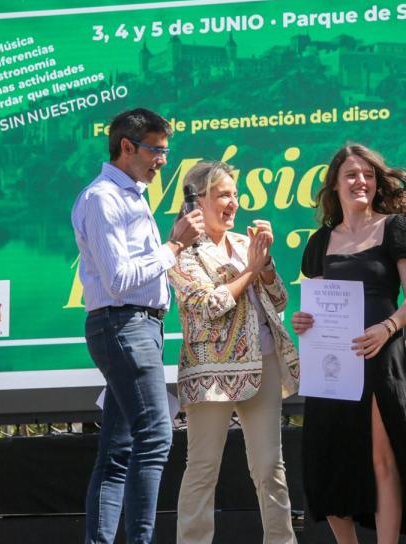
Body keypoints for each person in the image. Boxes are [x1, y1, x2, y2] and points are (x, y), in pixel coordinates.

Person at [291, 143, 406, 543]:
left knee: (384, 459)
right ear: (335, 184)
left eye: (368, 174)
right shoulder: (319, 241)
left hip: (381, 356)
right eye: (351, 174)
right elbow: (314, 304)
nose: (360, 181)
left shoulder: (394, 227)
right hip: (333, 363)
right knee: (329, 459)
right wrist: (302, 320)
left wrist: (388, 327)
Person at [71, 108, 204, 544]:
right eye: (156, 150)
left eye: (166, 150)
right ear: (127, 147)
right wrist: (173, 246)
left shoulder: (131, 195)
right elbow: (120, 279)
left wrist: (173, 248)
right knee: (155, 436)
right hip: (122, 325)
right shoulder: (103, 198)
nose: (163, 160)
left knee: (117, 450)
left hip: (136, 327)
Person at [167, 161, 300, 544]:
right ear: (198, 200)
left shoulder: (245, 243)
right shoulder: (181, 252)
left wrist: (267, 265)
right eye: (224, 195)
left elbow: (279, 299)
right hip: (209, 373)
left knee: (270, 467)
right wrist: (250, 271)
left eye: (235, 195)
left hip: (265, 362)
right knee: (203, 468)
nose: (233, 203)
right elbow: (210, 305)